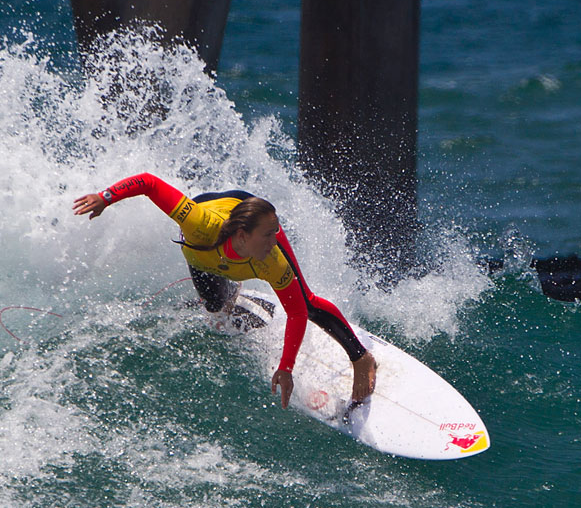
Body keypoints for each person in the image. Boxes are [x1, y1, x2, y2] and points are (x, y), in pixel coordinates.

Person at [73, 173, 375, 410]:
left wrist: (286, 367)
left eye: (276, 233)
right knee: (216, 305)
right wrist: (105, 197)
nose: (276, 241)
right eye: (270, 235)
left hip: (245, 215)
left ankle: (361, 358)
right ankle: (230, 294)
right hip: (210, 232)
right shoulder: (198, 225)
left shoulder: (272, 259)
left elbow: (296, 313)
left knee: (306, 303)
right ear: (243, 236)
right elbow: (150, 183)